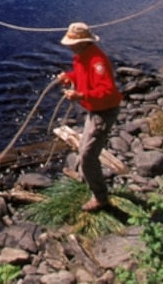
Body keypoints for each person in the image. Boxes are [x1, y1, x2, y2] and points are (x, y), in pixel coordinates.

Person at [57, 22, 123, 212]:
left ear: (83, 42)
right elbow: (80, 75)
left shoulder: (97, 61)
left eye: (71, 43)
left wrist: (81, 96)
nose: (69, 46)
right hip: (94, 110)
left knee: (87, 154)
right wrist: (69, 77)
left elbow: (107, 90)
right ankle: (87, 178)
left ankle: (100, 198)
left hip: (104, 111)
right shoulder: (81, 57)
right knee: (85, 147)